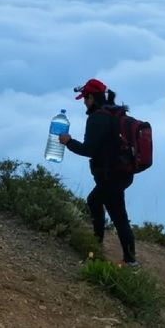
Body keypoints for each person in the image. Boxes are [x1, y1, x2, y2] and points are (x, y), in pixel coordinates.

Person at [58, 78, 138, 267]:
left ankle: (105, 253)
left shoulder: (97, 118)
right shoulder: (116, 113)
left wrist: (68, 142)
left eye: (85, 98)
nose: (85, 103)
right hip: (123, 172)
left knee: (109, 210)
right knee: (108, 207)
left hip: (110, 175)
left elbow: (89, 149)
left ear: (92, 98)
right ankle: (118, 254)